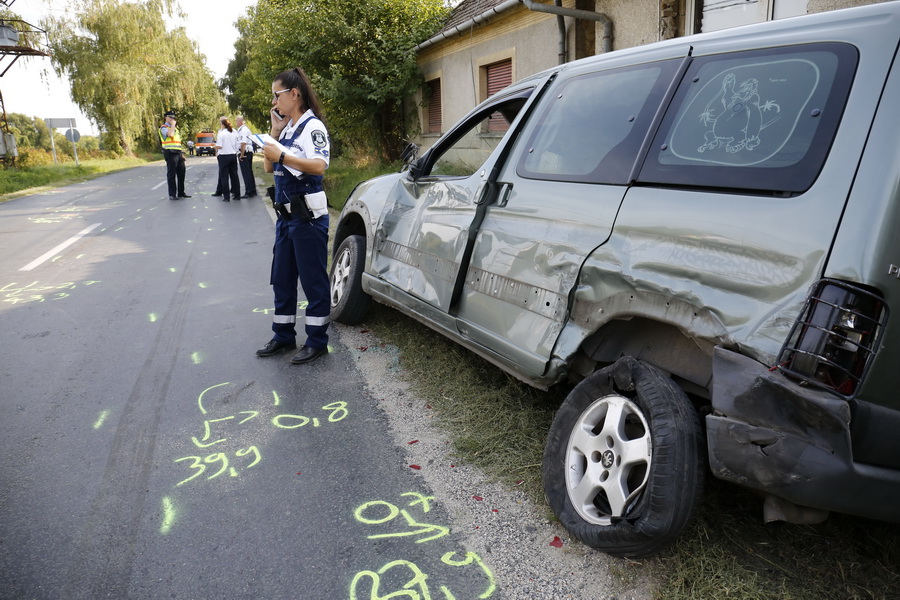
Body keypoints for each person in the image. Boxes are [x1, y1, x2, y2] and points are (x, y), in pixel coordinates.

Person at [256, 66, 331, 365]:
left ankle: (317, 341)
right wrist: (274, 134)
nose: (274, 101)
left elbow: (319, 165)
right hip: (286, 218)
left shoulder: (313, 128)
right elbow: (267, 169)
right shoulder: (287, 128)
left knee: (313, 280)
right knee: (283, 278)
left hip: (307, 217)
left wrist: (282, 155)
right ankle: (283, 335)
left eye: (277, 94)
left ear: (294, 94)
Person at [159, 110, 191, 200]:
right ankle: (172, 194)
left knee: (182, 173)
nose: (172, 119)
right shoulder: (163, 128)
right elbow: (170, 134)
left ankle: (181, 192)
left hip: (177, 153)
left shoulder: (175, 129)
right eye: (171, 117)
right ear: (166, 117)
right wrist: (172, 125)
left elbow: (177, 142)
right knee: (171, 174)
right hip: (170, 153)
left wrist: (181, 154)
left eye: (173, 118)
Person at [215, 117, 241, 201]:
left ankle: (226, 196)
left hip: (224, 156)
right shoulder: (234, 132)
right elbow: (238, 144)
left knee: (224, 177)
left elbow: (219, 145)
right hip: (233, 155)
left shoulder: (221, 133)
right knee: (234, 176)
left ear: (222, 125)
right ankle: (237, 195)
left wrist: (214, 145)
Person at [236, 116, 258, 198]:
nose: (235, 122)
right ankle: (252, 190)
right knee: (249, 172)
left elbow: (243, 143)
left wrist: (241, 154)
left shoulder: (243, 130)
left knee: (246, 173)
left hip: (245, 152)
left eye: (236, 121)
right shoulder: (244, 129)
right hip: (248, 151)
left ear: (241, 122)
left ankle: (249, 191)